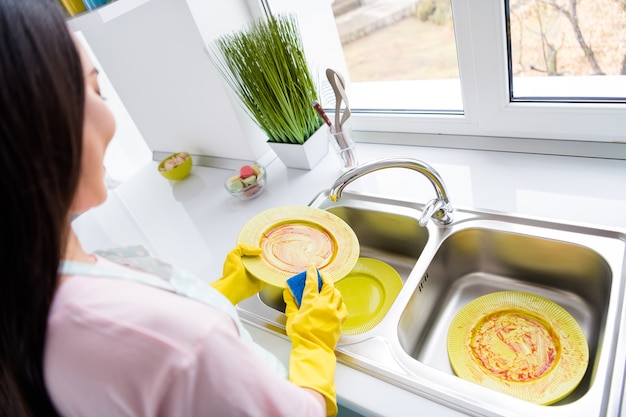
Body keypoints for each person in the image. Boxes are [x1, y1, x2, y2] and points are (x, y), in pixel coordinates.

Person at [0, 1, 348, 416]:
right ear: (37, 127)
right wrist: (314, 341)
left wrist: (220, 291)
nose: (108, 116)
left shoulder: (29, 289)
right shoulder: (182, 344)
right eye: (95, 91)